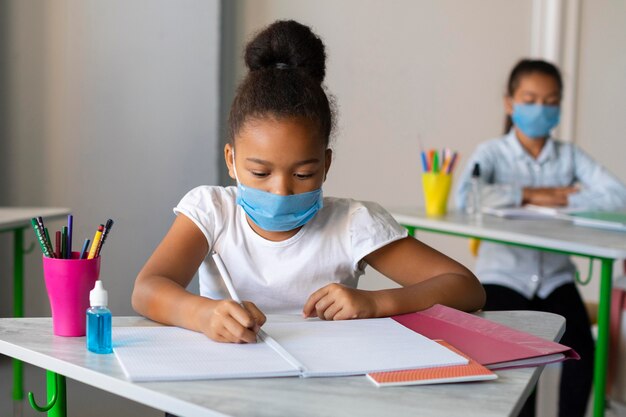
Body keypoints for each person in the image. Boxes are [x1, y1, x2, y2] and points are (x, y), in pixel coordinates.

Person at [132, 19, 485, 346]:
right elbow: (147, 289)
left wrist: (376, 301)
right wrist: (201, 314)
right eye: (260, 173)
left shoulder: (352, 224)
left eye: (303, 174)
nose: (281, 190)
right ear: (231, 161)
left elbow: (466, 288)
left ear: (326, 165)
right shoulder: (211, 211)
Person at [455, 58, 626, 417]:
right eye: (530, 99)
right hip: (503, 276)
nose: (540, 109)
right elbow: (466, 198)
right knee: (518, 363)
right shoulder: (492, 152)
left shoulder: (569, 155)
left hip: (556, 279)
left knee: (583, 356)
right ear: (509, 102)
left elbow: (617, 196)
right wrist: (530, 194)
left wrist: (567, 197)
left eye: (550, 102)